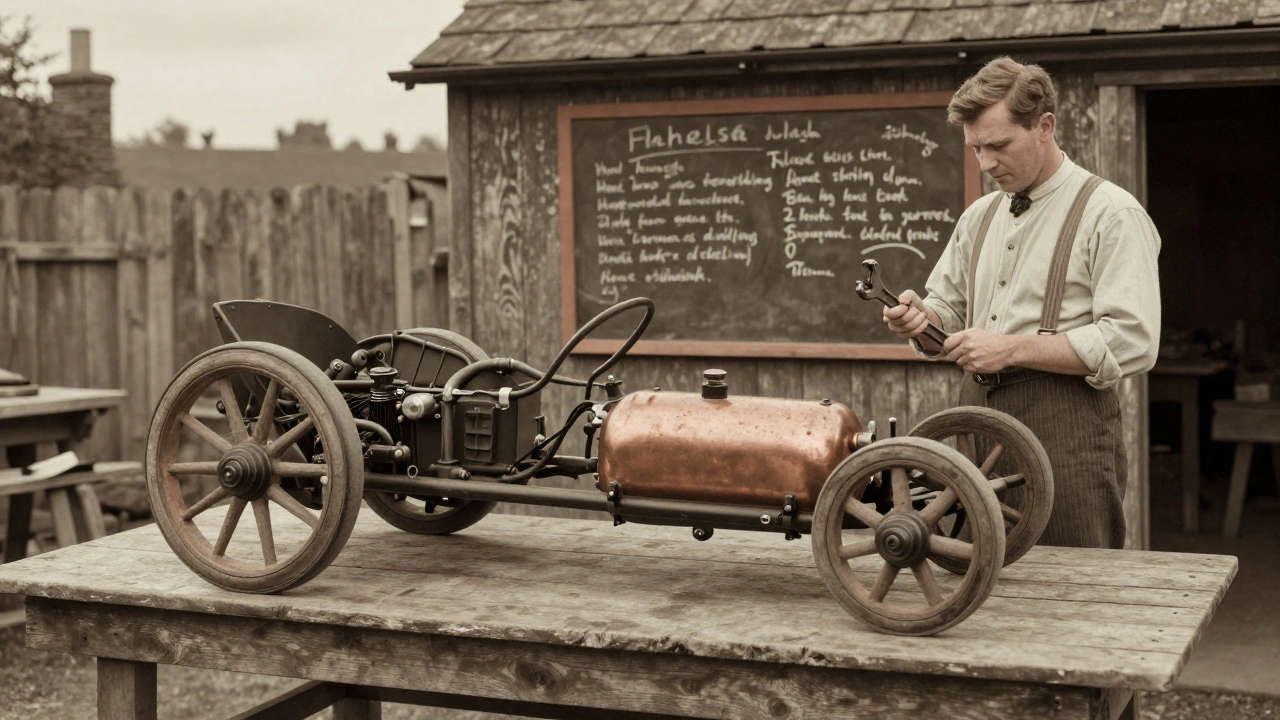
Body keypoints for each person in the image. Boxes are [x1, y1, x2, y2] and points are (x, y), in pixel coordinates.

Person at [882, 56, 1161, 549]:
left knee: (1076, 582)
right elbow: (946, 311)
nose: (986, 163)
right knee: (976, 576)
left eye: (999, 145)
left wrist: (1010, 350)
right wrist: (920, 320)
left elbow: (1132, 340)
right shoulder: (979, 217)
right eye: (975, 149)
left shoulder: (1112, 214)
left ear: (1045, 126)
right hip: (975, 424)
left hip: (1067, 430)